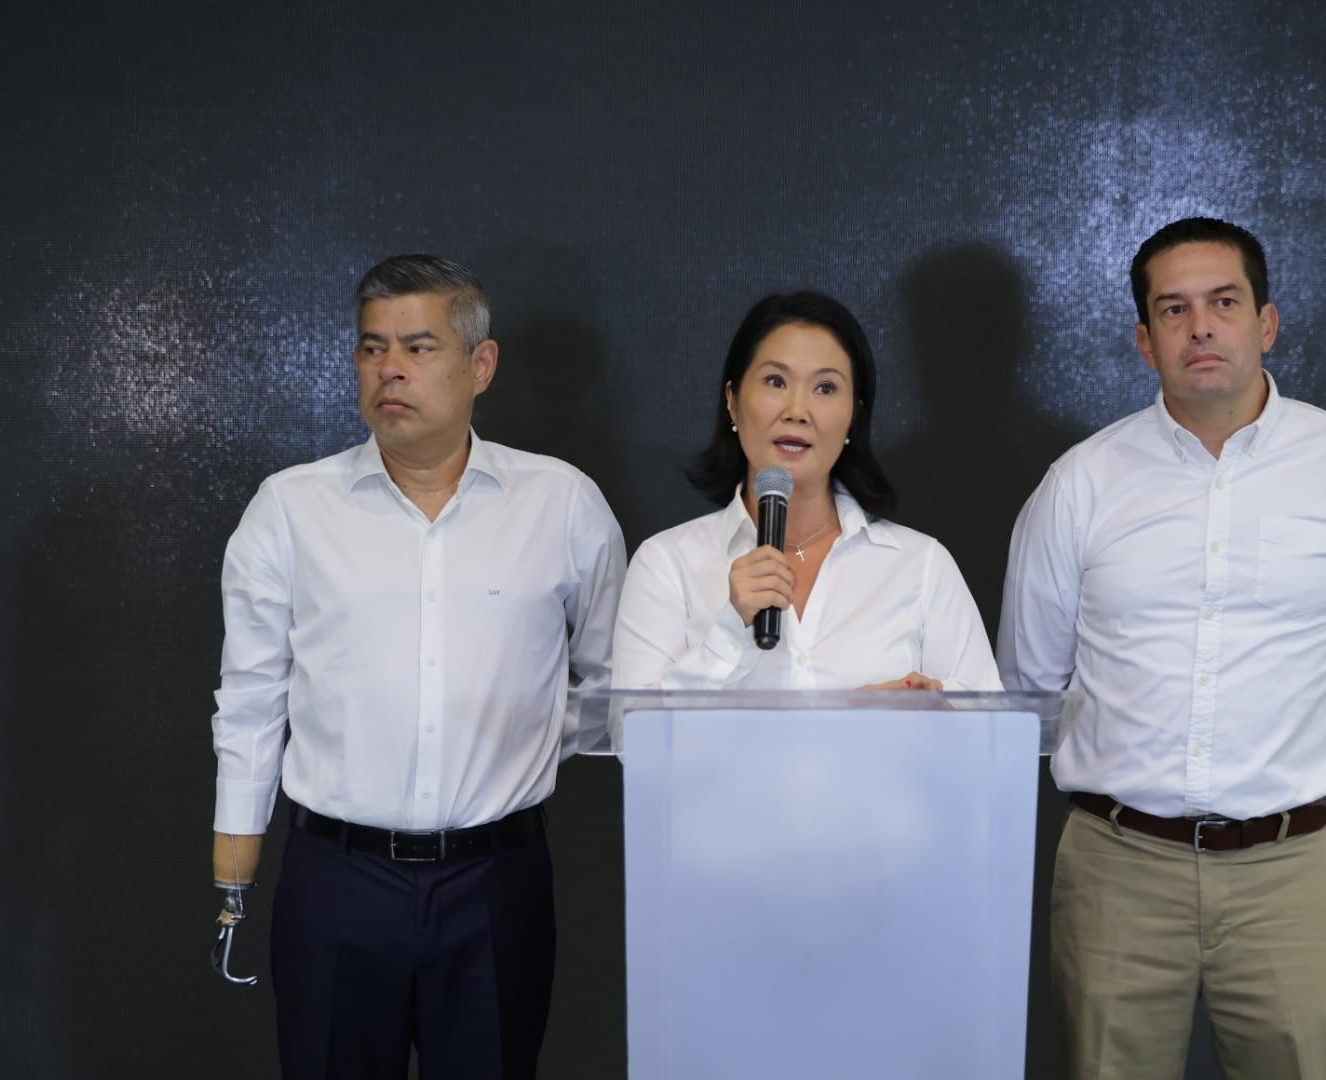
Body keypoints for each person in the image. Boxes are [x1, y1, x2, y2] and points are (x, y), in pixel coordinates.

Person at [999, 218, 1326, 1079]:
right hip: (1118, 873)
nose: (1200, 327)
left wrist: (1312, 782)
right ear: (1144, 340)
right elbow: (1029, 685)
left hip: (1294, 875)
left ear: (1265, 323)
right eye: (1174, 309)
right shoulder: (1080, 483)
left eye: (1223, 303)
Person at [208, 255, 625, 1079]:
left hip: (496, 882)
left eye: (419, 347)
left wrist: (524, 738)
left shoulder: (561, 504)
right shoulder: (291, 509)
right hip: (336, 881)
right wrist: (234, 860)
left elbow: (610, 682)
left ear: (481, 364)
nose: (390, 369)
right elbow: (252, 698)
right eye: (372, 348)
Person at [613, 290, 998, 693]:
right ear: (732, 400)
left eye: (825, 388)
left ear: (854, 416)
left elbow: (994, 724)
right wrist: (729, 630)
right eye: (775, 381)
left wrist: (916, 711)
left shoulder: (920, 565)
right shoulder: (668, 564)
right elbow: (630, 726)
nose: (797, 411)